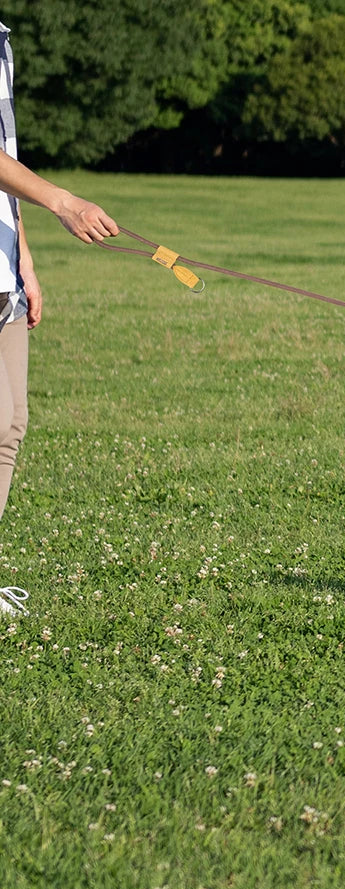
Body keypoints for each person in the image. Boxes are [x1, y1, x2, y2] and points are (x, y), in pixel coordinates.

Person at [0, 20, 118, 616]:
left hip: (3, 271)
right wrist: (64, 202)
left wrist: (23, 253)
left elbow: (4, 161)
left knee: (11, 426)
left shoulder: (2, 39)